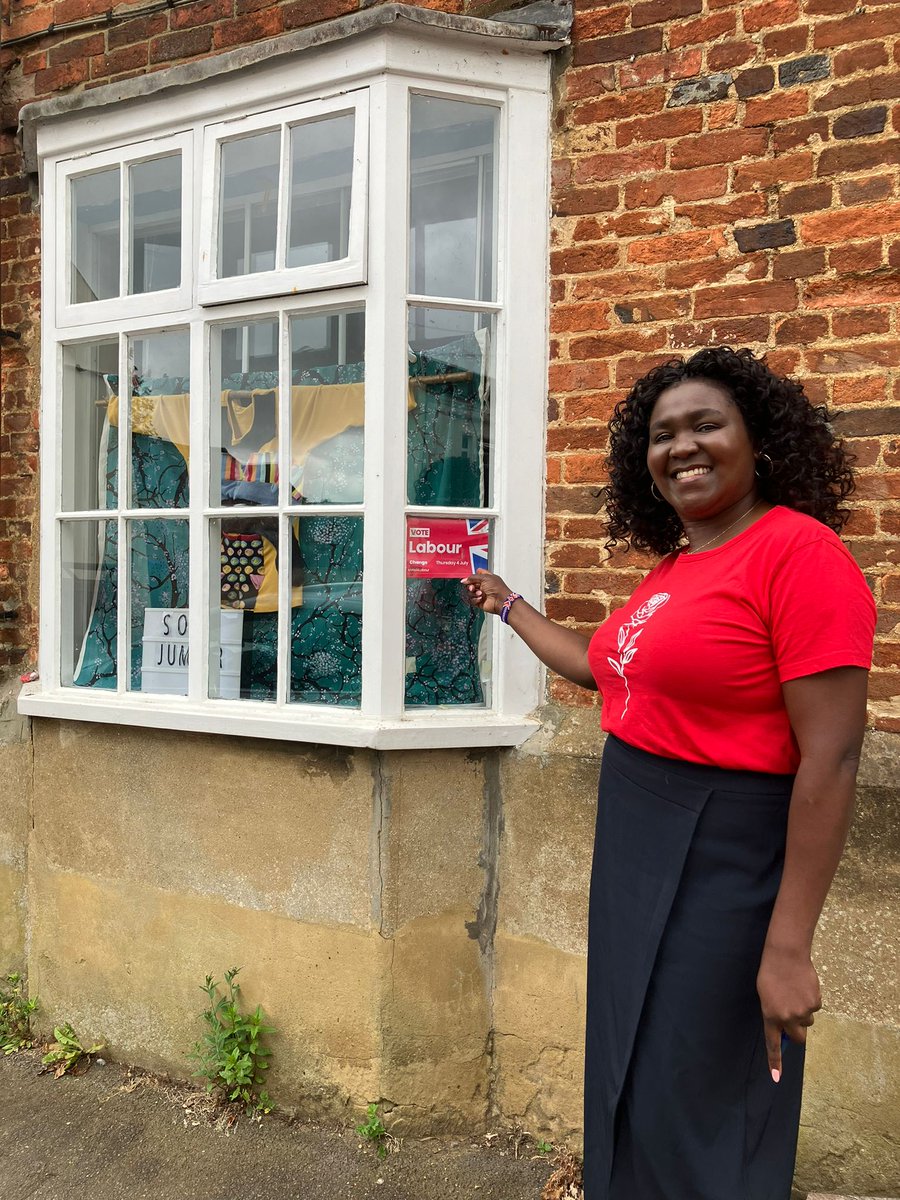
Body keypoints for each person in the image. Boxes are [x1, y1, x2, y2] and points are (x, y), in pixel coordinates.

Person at [463, 346, 876, 1200]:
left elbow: (830, 758)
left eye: (704, 424)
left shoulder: (798, 556)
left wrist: (789, 945)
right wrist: (508, 606)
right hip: (640, 838)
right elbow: (600, 668)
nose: (680, 446)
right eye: (660, 435)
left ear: (757, 440)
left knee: (706, 1088)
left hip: (726, 855)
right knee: (635, 1068)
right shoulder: (677, 572)